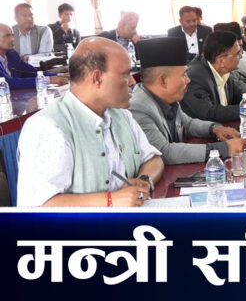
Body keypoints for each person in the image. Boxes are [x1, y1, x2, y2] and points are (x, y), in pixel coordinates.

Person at [16, 37, 164, 207]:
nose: (132, 82)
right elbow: (38, 206)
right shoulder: (48, 127)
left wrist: (144, 180)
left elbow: (153, 159)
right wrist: (111, 200)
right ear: (97, 78)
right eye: (125, 75)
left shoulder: (120, 115)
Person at [129, 38, 246, 165]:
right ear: (163, 81)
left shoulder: (169, 97)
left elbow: (188, 124)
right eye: (184, 75)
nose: (188, 80)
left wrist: (215, 129)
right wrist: (223, 149)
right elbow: (163, 152)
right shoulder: (138, 108)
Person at [181, 30, 246, 123]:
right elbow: (209, 112)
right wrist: (245, 109)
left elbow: (238, 96)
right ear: (221, 61)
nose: (241, 56)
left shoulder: (224, 70)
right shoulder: (195, 77)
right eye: (237, 53)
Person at [0, 23, 67, 89]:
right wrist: (49, 80)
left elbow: (32, 72)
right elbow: (8, 83)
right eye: (7, 36)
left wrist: (60, 75)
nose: (12, 39)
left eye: (12, 35)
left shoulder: (11, 54)